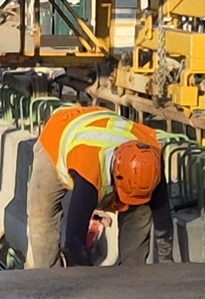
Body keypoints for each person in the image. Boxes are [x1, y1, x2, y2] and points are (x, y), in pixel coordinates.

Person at [28, 102, 165, 271]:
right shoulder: (90, 176)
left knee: (140, 211)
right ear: (116, 173)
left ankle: (132, 275)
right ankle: (47, 275)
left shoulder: (151, 158)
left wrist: (168, 264)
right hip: (59, 134)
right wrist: (86, 282)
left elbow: (162, 212)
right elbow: (74, 242)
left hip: (101, 127)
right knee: (42, 213)